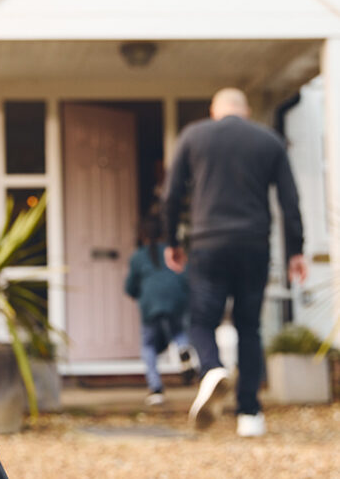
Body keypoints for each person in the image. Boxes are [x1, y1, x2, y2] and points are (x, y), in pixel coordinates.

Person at [162, 87, 307, 437]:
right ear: (246, 110)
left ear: (216, 111)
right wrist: (296, 251)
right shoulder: (268, 140)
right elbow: (290, 200)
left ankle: (212, 368)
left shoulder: (194, 136)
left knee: (201, 321)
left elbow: (171, 193)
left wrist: (172, 241)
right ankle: (250, 415)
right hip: (254, 245)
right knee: (249, 327)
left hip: (208, 243)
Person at [125, 214, 194, 406]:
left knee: (148, 345)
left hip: (150, 305)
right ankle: (183, 349)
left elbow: (130, 287)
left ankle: (155, 388)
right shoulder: (174, 252)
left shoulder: (138, 257)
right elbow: (186, 277)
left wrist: (138, 292)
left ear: (142, 234)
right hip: (175, 300)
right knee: (178, 332)